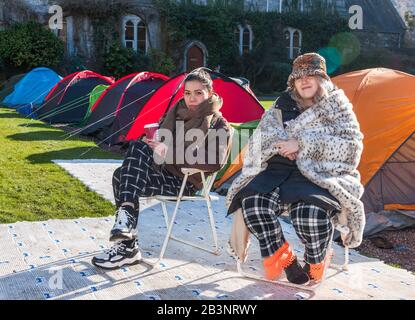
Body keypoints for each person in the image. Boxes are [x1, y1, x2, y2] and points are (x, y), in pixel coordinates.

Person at [226, 53, 365, 285]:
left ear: (323, 79)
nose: (304, 81)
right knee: (253, 203)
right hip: (277, 171)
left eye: (311, 75)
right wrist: (280, 145)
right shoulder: (281, 106)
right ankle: (284, 259)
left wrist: (302, 145)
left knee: (308, 216)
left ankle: (315, 260)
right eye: (298, 78)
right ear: (293, 82)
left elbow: (351, 147)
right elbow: (260, 140)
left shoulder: (337, 107)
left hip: (316, 174)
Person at [92, 69, 232, 269]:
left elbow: (214, 161)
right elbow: (159, 142)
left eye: (198, 93)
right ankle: (127, 226)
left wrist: (168, 152)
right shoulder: (176, 113)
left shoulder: (218, 124)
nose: (192, 98)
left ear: (209, 93)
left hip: (185, 181)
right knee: (130, 159)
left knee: (122, 177)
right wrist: (152, 142)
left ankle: (127, 244)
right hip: (163, 170)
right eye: (187, 92)